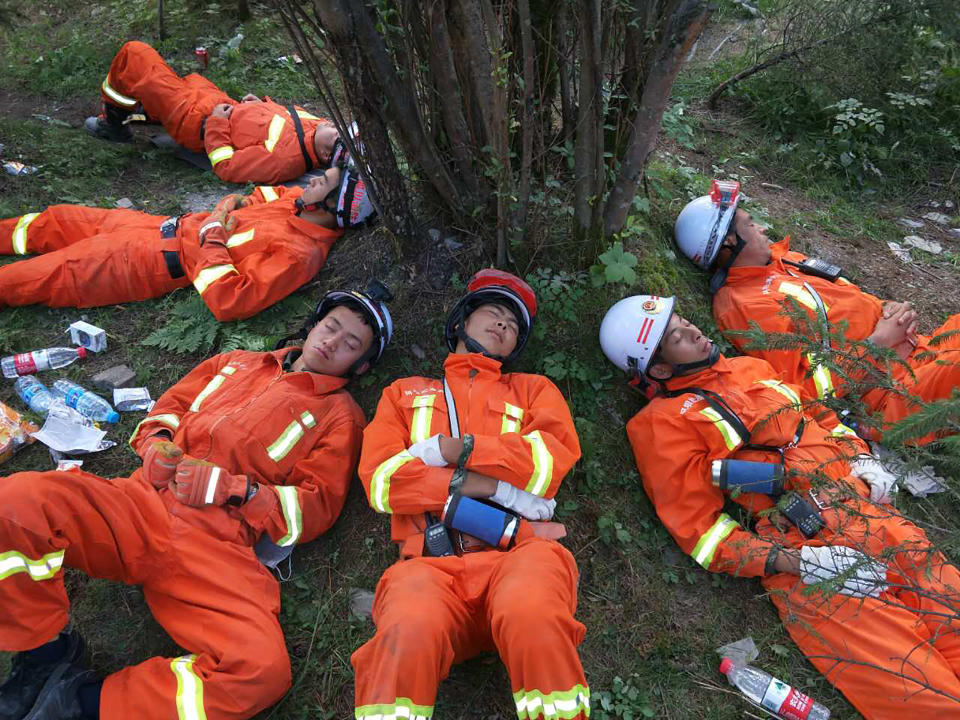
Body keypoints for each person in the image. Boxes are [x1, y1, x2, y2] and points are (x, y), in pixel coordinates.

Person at [0, 285, 393, 720]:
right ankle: (43, 654)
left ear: (359, 366)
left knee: (260, 672)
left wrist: (235, 489)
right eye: (331, 326)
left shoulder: (341, 416)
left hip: (215, 548)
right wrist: (155, 445)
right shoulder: (234, 363)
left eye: (350, 344)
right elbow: (168, 409)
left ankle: (79, 703)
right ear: (314, 323)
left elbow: (315, 509)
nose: (332, 341)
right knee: (13, 503)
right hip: (139, 503)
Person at [600, 293, 960, 718]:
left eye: (683, 320)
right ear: (659, 368)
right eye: (676, 335)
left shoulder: (750, 368)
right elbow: (704, 537)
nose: (693, 330)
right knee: (922, 694)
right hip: (805, 545)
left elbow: (820, 417)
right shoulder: (661, 425)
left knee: (951, 609)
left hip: (864, 509)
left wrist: (862, 458)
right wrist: (797, 563)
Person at [352, 270, 591, 720]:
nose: (503, 324)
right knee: (407, 630)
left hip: (523, 554)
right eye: (493, 313)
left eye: (513, 325)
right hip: (429, 566)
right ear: (462, 321)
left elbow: (546, 465)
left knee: (534, 615)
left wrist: (451, 451)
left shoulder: (534, 390)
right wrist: (489, 485)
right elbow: (383, 482)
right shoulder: (402, 394)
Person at [674, 179, 960, 443]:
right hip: (887, 394)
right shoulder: (746, 307)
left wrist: (892, 309)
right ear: (729, 243)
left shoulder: (784, 260)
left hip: (921, 351)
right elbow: (807, 389)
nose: (762, 228)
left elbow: (850, 300)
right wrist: (880, 342)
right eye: (750, 224)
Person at [0, 164, 374, 321]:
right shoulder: (298, 203)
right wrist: (228, 206)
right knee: (58, 219)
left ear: (333, 207)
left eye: (322, 183)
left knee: (37, 276)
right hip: (155, 226)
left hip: (146, 263)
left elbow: (231, 300)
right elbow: (256, 197)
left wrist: (212, 238)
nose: (311, 182)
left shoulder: (299, 255)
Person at [85, 41, 347, 184]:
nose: (335, 126)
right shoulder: (317, 126)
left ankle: (114, 124)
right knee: (176, 81)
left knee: (135, 54)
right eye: (341, 127)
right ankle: (145, 106)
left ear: (326, 154)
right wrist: (259, 103)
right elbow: (281, 117)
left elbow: (226, 165)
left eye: (336, 135)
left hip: (194, 117)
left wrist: (217, 123)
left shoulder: (284, 160)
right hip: (214, 100)